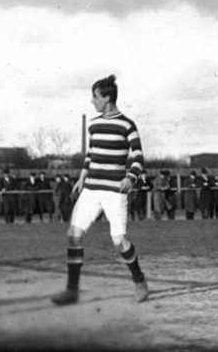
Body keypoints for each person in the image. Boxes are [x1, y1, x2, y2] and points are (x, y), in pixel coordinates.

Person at [51, 74, 148, 306]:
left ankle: (139, 280)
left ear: (107, 98)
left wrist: (131, 178)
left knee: (119, 241)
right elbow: (90, 155)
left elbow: (138, 156)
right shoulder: (93, 124)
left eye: (95, 96)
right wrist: (81, 178)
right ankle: (72, 290)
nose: (92, 101)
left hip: (115, 192)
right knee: (74, 235)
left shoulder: (127, 125)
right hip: (91, 190)